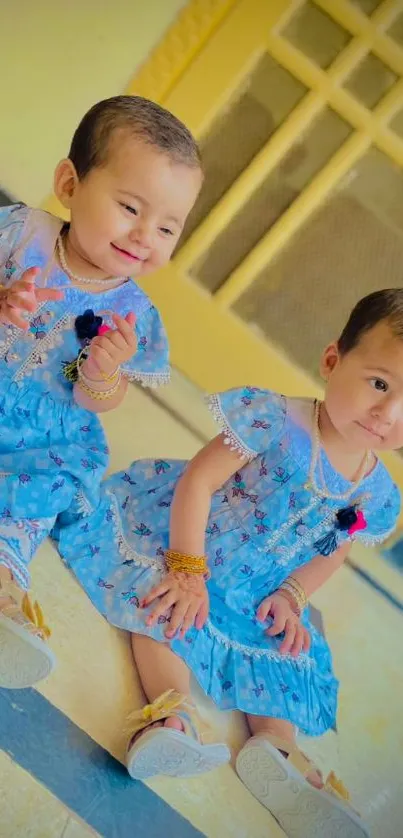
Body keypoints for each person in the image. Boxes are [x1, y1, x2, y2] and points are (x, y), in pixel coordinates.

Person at [57, 289, 403, 838]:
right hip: (187, 539)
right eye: (380, 384)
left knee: (283, 653)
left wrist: (292, 595)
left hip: (258, 585)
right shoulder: (277, 420)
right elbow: (199, 479)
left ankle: (279, 755)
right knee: (165, 607)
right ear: (333, 360)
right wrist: (187, 568)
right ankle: (172, 715)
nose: (388, 415)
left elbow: (332, 550)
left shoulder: (377, 493)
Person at [0, 95, 202, 691]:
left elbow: (101, 404)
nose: (145, 236)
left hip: (47, 430)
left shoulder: (134, 315)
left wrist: (100, 375)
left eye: (167, 227)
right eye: (129, 207)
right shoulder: (18, 235)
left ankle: (5, 588)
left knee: (45, 487)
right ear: (69, 182)